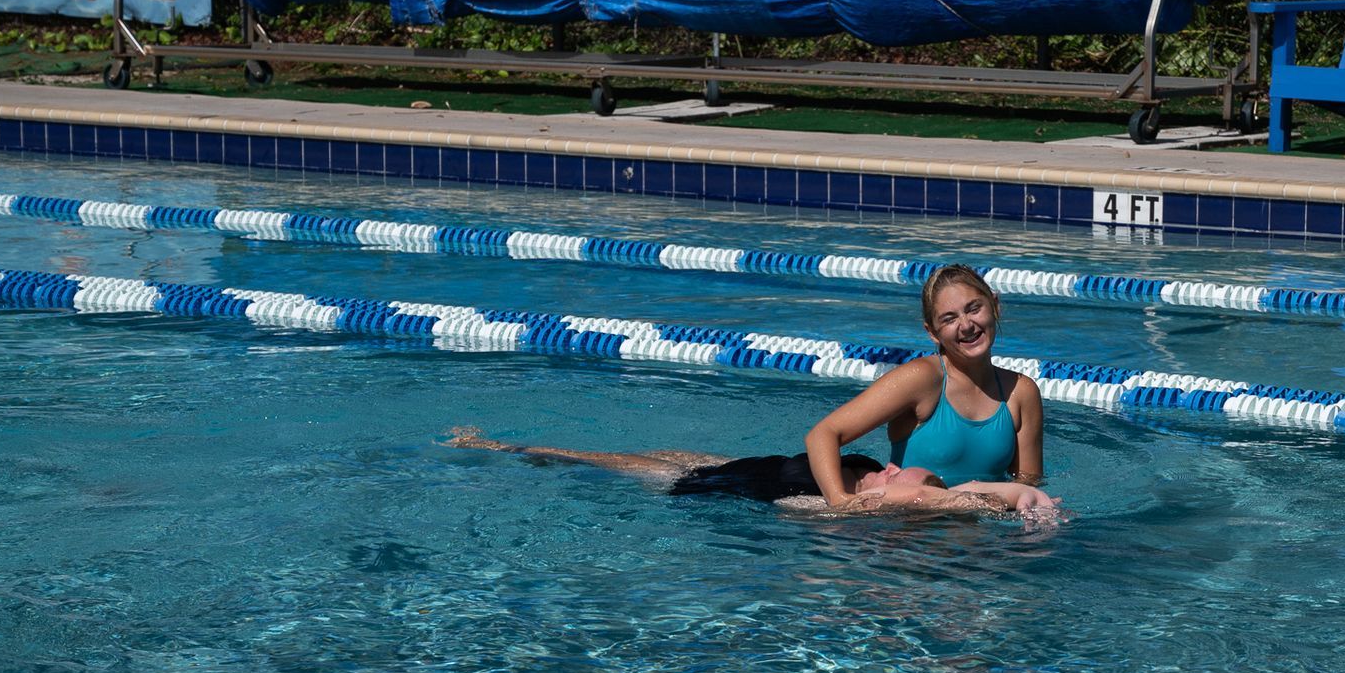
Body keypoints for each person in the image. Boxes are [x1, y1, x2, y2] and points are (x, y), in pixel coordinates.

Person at [805, 264, 1043, 509]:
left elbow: (1027, 484)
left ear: (995, 306)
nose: (966, 325)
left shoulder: (1020, 392)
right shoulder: (922, 379)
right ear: (932, 332)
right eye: (949, 319)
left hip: (980, 522)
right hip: (911, 523)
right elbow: (823, 434)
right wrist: (841, 502)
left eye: (974, 309)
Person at [446, 428, 1060, 516]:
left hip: (722, 487)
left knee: (601, 462)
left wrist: (1013, 496)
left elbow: (954, 500)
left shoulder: (857, 507)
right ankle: (511, 446)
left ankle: (504, 448)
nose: (930, 478)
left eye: (923, 482)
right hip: (740, 464)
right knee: (649, 449)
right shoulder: (872, 471)